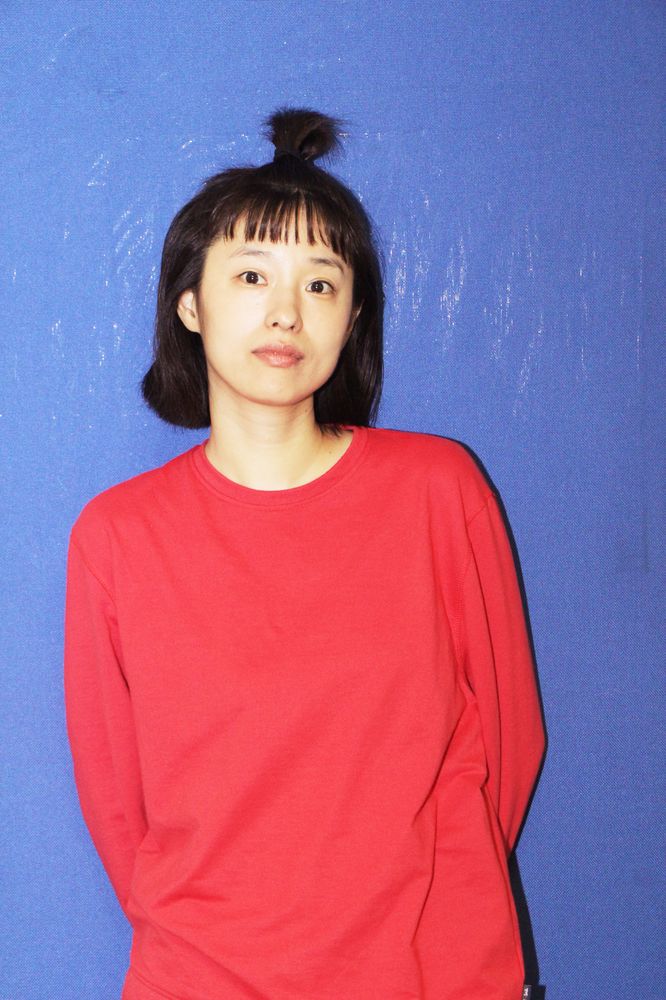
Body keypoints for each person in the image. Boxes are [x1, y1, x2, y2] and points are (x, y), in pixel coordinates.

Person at [64, 107, 545, 1000]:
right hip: (200, 978)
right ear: (190, 304)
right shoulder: (118, 535)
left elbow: (510, 740)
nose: (286, 310)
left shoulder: (438, 490)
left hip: (431, 977)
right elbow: (116, 798)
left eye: (322, 284)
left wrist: (447, 919)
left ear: (352, 314)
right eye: (252, 275)